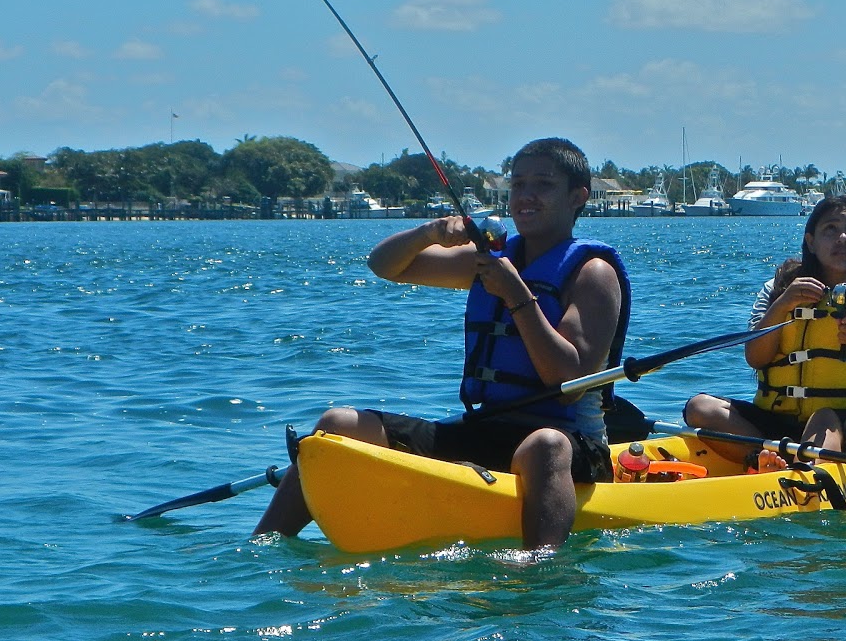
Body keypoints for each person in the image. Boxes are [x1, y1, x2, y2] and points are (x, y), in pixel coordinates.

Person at [254, 138, 629, 548]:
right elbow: (385, 266)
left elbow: (565, 384)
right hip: (487, 427)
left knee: (545, 444)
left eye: (543, 184)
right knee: (336, 425)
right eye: (518, 184)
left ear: (578, 197)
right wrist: (430, 232)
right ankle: (259, 550)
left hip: (568, 444)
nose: (526, 196)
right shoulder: (488, 259)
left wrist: (516, 296)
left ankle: (536, 571)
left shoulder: (593, 273)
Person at [683, 194, 846, 466]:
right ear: (811, 242)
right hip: (786, 421)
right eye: (830, 229)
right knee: (700, 408)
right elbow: (756, 358)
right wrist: (783, 303)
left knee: (823, 417)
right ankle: (763, 461)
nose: (843, 238)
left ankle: (804, 475)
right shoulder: (777, 289)